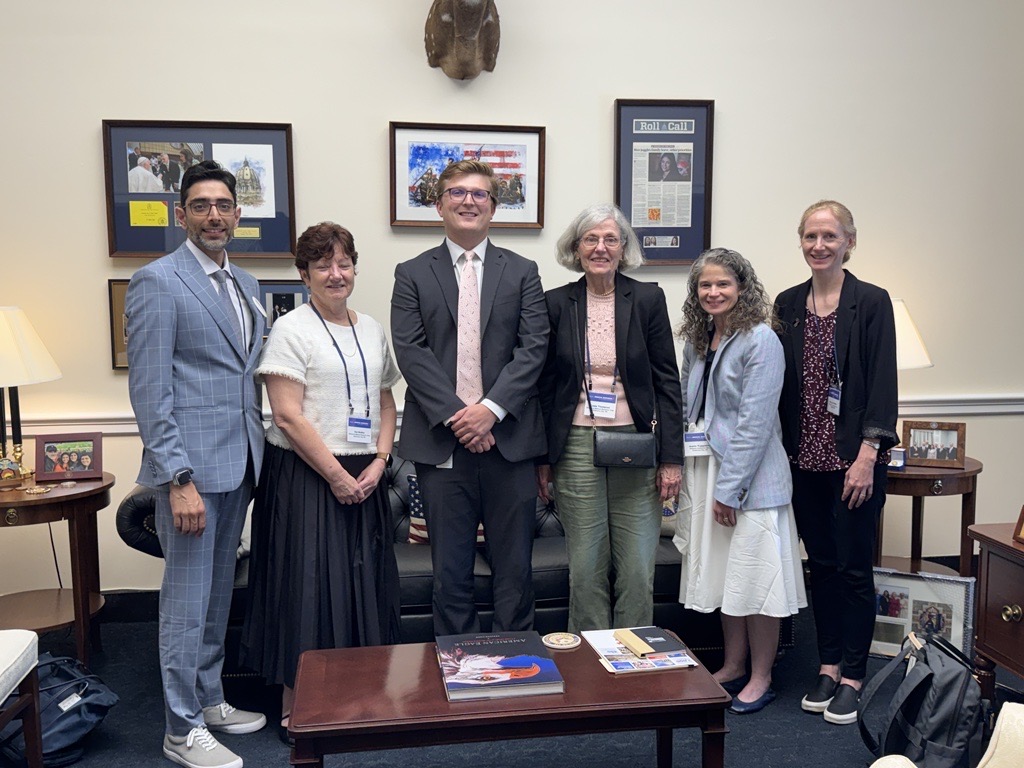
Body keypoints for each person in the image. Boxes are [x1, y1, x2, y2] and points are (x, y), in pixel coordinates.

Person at [127, 159, 267, 768]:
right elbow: (150, 391)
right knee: (185, 602)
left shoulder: (248, 286)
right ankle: (180, 730)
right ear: (181, 214)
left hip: (240, 465)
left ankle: (209, 699)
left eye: (224, 205)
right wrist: (176, 478)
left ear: (237, 214)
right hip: (190, 474)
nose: (215, 215)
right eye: (201, 205)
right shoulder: (158, 281)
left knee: (214, 599)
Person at [241, 222, 401, 738]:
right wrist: (335, 476)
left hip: (365, 473)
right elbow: (286, 416)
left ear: (355, 267)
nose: (336, 274)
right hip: (307, 476)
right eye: (322, 266)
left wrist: (379, 462)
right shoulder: (291, 330)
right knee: (306, 588)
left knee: (363, 587)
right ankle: (299, 703)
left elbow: (385, 400)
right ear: (304, 274)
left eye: (344, 263)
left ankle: (362, 695)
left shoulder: (372, 328)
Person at [391, 158, 548, 636]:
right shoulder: (412, 272)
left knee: (514, 572)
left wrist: (490, 412)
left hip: (511, 442)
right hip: (442, 444)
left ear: (493, 208)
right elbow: (411, 351)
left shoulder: (522, 271)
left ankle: (519, 668)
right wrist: (463, 417)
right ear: (439, 205)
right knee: (451, 573)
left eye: (479, 194)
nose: (468, 201)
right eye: (457, 193)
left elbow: (534, 346)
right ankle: (460, 674)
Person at [775, 200, 898, 726]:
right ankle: (825, 665)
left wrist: (870, 454)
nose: (819, 246)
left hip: (854, 463)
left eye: (830, 236)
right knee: (819, 568)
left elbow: (883, 385)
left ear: (850, 241)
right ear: (800, 242)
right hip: (802, 461)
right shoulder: (787, 303)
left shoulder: (871, 302)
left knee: (852, 569)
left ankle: (853, 673)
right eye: (811, 237)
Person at [536, 203, 683, 632]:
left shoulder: (648, 299)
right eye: (591, 239)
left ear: (623, 248)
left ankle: (633, 665)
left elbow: (667, 383)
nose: (600, 248)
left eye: (610, 239)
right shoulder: (555, 302)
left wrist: (671, 458)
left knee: (638, 568)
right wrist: (543, 458)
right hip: (576, 446)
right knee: (586, 568)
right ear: (576, 248)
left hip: (636, 444)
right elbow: (545, 387)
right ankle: (589, 672)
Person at [675, 248, 806, 715]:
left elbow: (754, 422)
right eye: (705, 286)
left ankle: (762, 676)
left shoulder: (761, 339)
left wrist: (730, 490)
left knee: (756, 580)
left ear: (742, 288)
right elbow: (690, 408)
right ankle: (732, 666)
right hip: (707, 469)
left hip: (750, 480)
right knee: (729, 577)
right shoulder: (698, 339)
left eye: (723, 285)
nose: (713, 293)